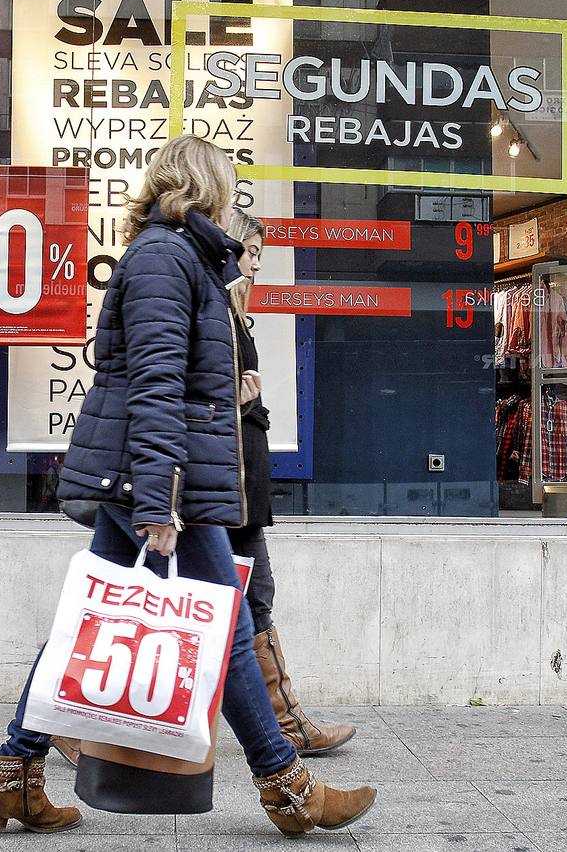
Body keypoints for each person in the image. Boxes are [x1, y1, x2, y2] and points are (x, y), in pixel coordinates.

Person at [0, 135, 377, 838]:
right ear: (204, 186)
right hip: (157, 482)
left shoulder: (180, 256)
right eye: (228, 186)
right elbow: (155, 384)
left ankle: (14, 774)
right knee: (226, 626)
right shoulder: (166, 257)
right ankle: (289, 788)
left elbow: (171, 375)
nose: (233, 201)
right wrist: (161, 498)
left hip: (152, 476)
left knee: (87, 623)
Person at [223, 208, 357, 756]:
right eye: (252, 253)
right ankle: (286, 724)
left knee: (246, 599)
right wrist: (234, 397)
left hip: (234, 481)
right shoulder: (212, 306)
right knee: (245, 598)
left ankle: (285, 721)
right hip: (220, 483)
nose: (257, 266)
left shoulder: (231, 313)